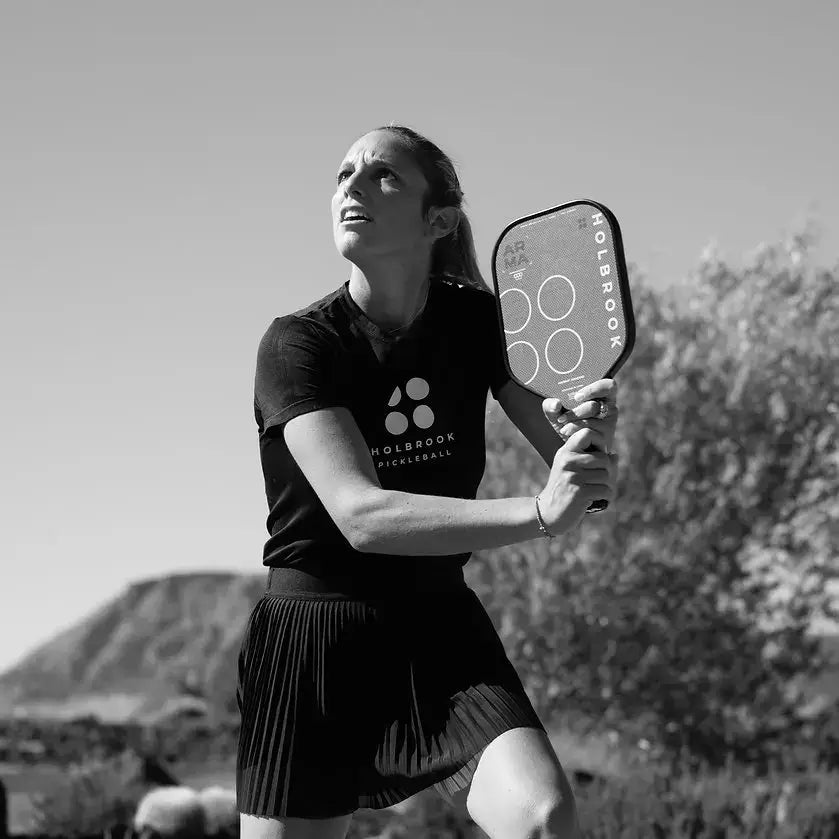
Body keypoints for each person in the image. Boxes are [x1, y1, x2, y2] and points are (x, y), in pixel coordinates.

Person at [237, 124, 619, 839]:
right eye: (343, 172)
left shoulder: (478, 323)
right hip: (313, 638)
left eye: (382, 175)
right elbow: (363, 516)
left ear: (437, 219)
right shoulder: (297, 345)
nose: (350, 186)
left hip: (438, 624)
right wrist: (541, 512)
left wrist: (587, 439)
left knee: (543, 817)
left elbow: (585, 480)